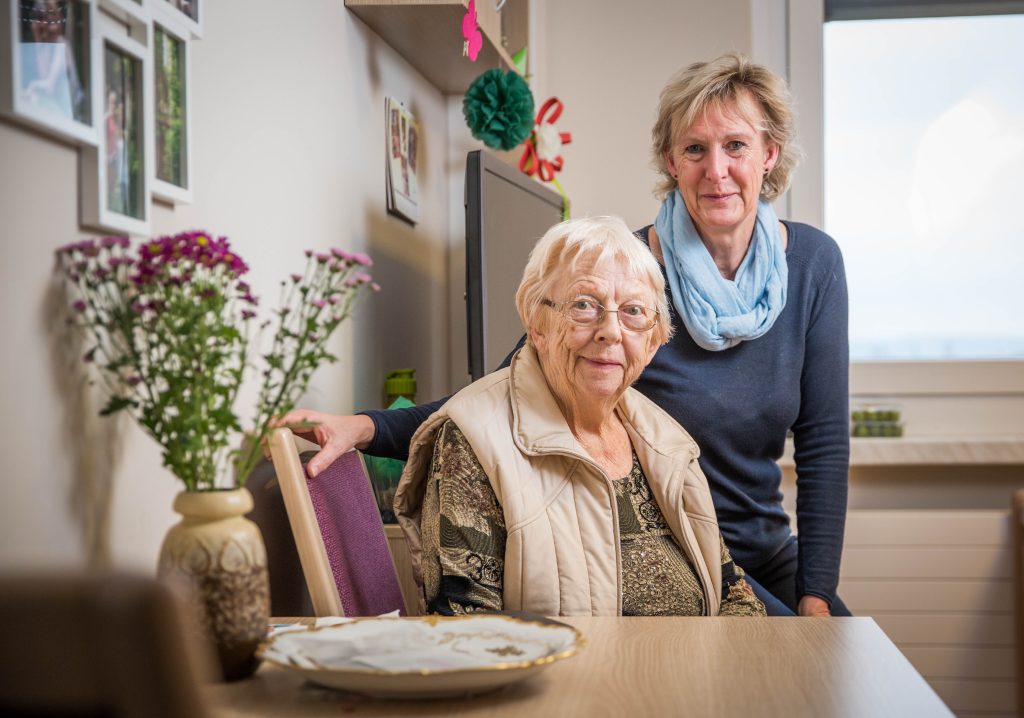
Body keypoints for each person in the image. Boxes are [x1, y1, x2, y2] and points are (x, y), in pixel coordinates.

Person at [280, 53, 850, 617]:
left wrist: (817, 595)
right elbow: (505, 392)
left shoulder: (814, 265)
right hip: (675, 544)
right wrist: (365, 427)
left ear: (769, 153)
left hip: (768, 549)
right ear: (672, 162)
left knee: (844, 663)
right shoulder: (629, 280)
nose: (716, 170)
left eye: (736, 146)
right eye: (694, 149)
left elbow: (824, 442)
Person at [404, 216, 764, 616]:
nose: (611, 330)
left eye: (632, 311)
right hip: (566, 679)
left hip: (691, 674)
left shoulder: (665, 441)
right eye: (584, 305)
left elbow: (733, 593)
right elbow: (467, 630)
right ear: (536, 322)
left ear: (654, 339)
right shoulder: (473, 439)